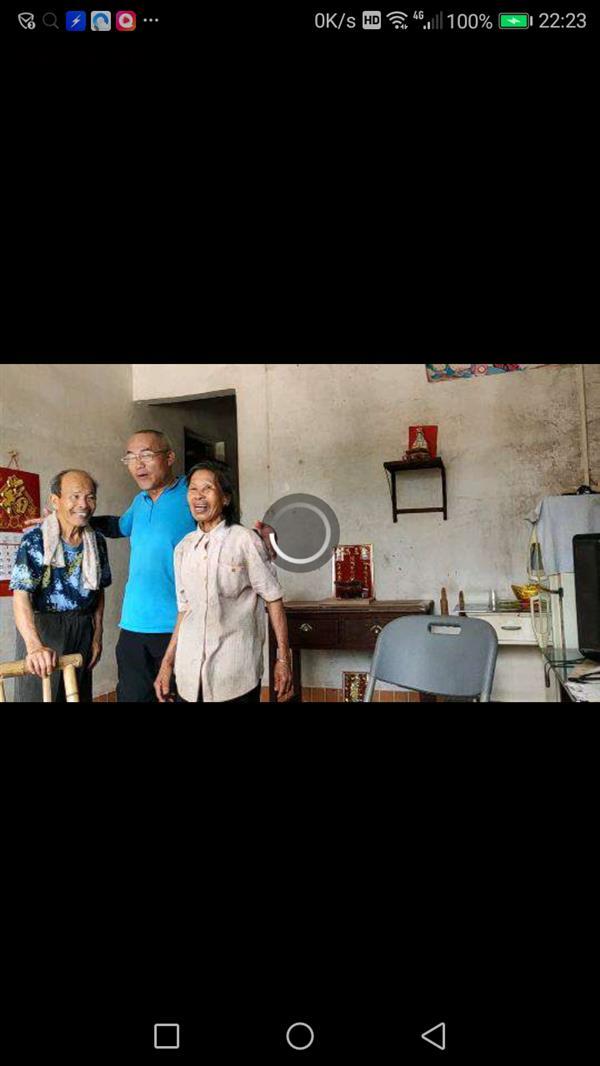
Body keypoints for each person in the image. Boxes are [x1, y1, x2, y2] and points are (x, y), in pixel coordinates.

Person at [24, 429, 277, 702]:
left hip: (180, 628)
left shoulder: (191, 492)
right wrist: (67, 518)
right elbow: (118, 527)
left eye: (146, 455)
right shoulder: (140, 501)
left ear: (169, 458)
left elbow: (225, 532)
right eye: (131, 457)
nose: (138, 464)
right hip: (134, 626)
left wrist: (264, 540)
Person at [154, 463, 294, 703]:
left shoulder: (244, 540)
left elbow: (273, 598)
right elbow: (184, 610)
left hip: (235, 673)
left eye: (207, 488)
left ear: (226, 498)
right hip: (189, 676)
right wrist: (167, 664)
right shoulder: (183, 548)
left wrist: (283, 659)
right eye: (193, 489)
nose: (198, 496)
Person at [10, 470, 111, 702]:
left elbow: (99, 590)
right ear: (55, 501)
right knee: (39, 696)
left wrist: (97, 635)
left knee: (77, 695)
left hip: (83, 626)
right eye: (75, 496)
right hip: (45, 628)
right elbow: (20, 595)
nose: (83, 504)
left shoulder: (96, 541)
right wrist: (34, 646)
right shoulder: (35, 540)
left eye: (90, 497)